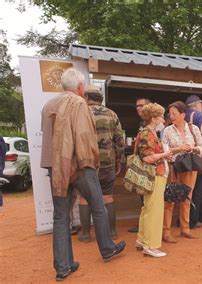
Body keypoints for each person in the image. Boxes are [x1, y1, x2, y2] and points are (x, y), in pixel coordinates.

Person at [40, 68, 125, 281]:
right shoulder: (79, 104)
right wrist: (91, 164)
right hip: (78, 165)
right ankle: (107, 249)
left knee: (60, 216)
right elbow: (85, 138)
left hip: (55, 168)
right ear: (79, 87)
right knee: (98, 206)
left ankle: (63, 267)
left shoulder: (48, 105)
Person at [78, 86, 124, 242]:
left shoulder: (80, 113)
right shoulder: (112, 114)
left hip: (86, 164)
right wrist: (119, 160)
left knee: (84, 198)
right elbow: (119, 140)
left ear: (86, 97)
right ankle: (112, 232)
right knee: (107, 197)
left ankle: (85, 234)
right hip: (107, 164)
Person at [161, 101, 202, 242]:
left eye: (174, 113)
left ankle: (185, 229)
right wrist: (178, 149)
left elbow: (201, 148)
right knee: (170, 200)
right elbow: (164, 151)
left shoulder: (194, 129)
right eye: (170, 114)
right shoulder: (167, 130)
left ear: (183, 115)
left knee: (187, 198)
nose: (171, 116)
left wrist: (193, 148)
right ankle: (166, 232)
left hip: (190, 167)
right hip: (173, 167)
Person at [135, 103, 172, 257]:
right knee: (154, 210)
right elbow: (148, 157)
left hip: (154, 175)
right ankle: (151, 245)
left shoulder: (147, 133)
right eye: (161, 116)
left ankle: (143, 240)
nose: (163, 119)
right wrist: (164, 155)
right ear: (154, 118)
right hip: (155, 175)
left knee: (148, 208)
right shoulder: (148, 134)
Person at [185, 95, 202, 229]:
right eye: (201, 104)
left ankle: (183, 220)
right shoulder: (199, 116)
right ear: (196, 105)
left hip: (184, 159)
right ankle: (193, 220)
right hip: (199, 158)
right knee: (198, 191)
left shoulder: (182, 115)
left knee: (186, 190)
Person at [128, 97, 151, 233]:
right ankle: (144, 225)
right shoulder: (142, 123)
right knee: (142, 195)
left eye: (141, 106)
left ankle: (149, 226)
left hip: (151, 165)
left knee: (148, 197)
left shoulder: (155, 123)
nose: (139, 108)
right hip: (142, 164)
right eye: (137, 106)